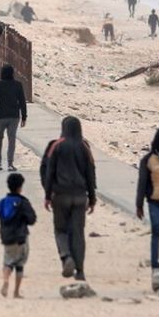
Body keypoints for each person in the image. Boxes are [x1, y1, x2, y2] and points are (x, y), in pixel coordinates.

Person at [41, 116, 96, 281]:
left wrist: (47, 195)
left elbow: (49, 172)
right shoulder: (84, 146)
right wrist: (92, 198)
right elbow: (91, 174)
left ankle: (66, 257)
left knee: (60, 229)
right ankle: (80, 271)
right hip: (80, 196)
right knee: (78, 233)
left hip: (60, 195)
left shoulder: (56, 146)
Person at [0, 172, 37, 298]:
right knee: (19, 264)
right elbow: (32, 219)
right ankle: (16, 292)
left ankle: (6, 280)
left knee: (7, 261)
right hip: (21, 237)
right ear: (20, 187)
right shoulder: (23, 202)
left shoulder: (2, 203)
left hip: (6, 237)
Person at [135, 127, 159, 271]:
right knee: (156, 231)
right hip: (155, 202)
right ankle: (154, 264)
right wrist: (139, 204)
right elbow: (142, 183)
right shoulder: (147, 160)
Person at [0, 64, 27, 172]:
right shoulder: (18, 85)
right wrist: (24, 116)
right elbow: (22, 102)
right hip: (14, 115)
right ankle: (10, 164)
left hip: (2, 115)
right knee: (12, 139)